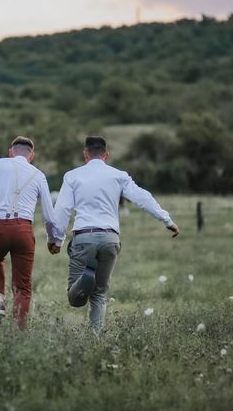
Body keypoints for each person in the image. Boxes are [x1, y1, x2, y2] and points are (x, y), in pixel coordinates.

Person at [51, 136, 179, 329]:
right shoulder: (119, 176)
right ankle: (96, 338)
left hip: (84, 237)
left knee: (74, 298)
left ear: (85, 154)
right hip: (111, 238)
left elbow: (62, 209)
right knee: (99, 293)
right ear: (106, 155)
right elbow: (142, 197)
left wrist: (57, 240)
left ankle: (86, 277)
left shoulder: (72, 176)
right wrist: (166, 219)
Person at [0, 136, 60, 328]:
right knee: (23, 288)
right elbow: (50, 216)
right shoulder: (39, 175)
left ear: (11, 152)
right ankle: (18, 331)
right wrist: (53, 240)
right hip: (22, 230)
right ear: (31, 156)